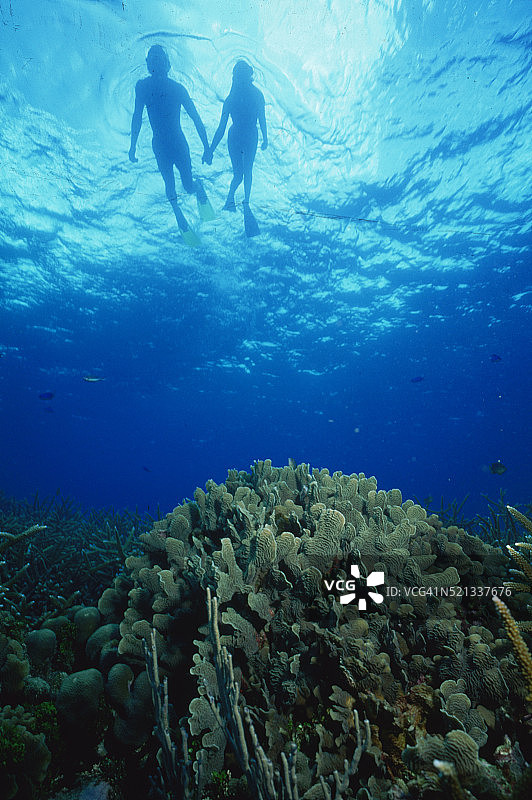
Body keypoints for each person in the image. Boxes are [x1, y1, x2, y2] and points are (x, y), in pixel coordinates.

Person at [129, 44, 213, 246]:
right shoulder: (142, 87)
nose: (156, 63)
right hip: (160, 146)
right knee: (170, 186)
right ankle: (178, 215)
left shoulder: (177, 89)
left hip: (178, 143)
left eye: (160, 59)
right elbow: (137, 118)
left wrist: (207, 147)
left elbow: (196, 118)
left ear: (167, 65)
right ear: (149, 65)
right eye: (153, 60)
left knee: (187, 185)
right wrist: (132, 146)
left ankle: (198, 187)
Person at [206, 60, 267, 235]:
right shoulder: (231, 99)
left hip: (248, 135)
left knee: (246, 171)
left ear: (250, 74)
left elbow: (262, 118)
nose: (240, 77)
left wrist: (266, 138)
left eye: (243, 73)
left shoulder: (255, 95)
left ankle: (244, 202)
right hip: (237, 135)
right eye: (238, 74)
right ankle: (231, 199)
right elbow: (220, 127)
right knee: (240, 173)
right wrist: (210, 149)